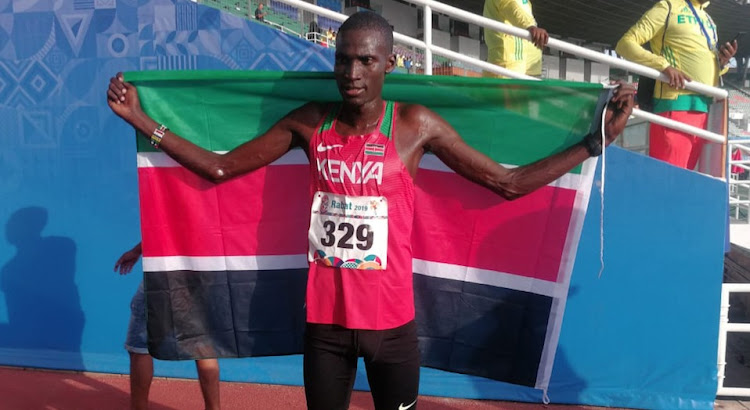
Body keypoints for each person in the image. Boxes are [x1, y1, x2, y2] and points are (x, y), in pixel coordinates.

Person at [107, 11, 634, 410]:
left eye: (365, 60)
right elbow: (220, 169)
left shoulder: (414, 125)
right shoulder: (312, 122)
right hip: (326, 327)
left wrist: (595, 142)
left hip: (393, 329)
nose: (352, 72)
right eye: (343, 59)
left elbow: (508, 182)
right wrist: (142, 121)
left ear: (389, 63)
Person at [616, 0, 737, 170]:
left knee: (685, 181)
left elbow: (706, 68)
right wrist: (664, 66)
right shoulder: (668, 7)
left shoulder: (709, 20)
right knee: (668, 179)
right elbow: (625, 44)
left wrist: (722, 63)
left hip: (704, 111)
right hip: (674, 106)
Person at [114, 243, 222, 410]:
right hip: (205, 275)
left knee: (140, 347)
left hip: (166, 274)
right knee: (203, 345)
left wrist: (136, 251)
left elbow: (161, 229)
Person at [482, 0, 548, 78]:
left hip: (527, 67)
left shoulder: (526, 2)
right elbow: (510, 6)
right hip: (507, 64)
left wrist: (534, 68)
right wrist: (530, 26)